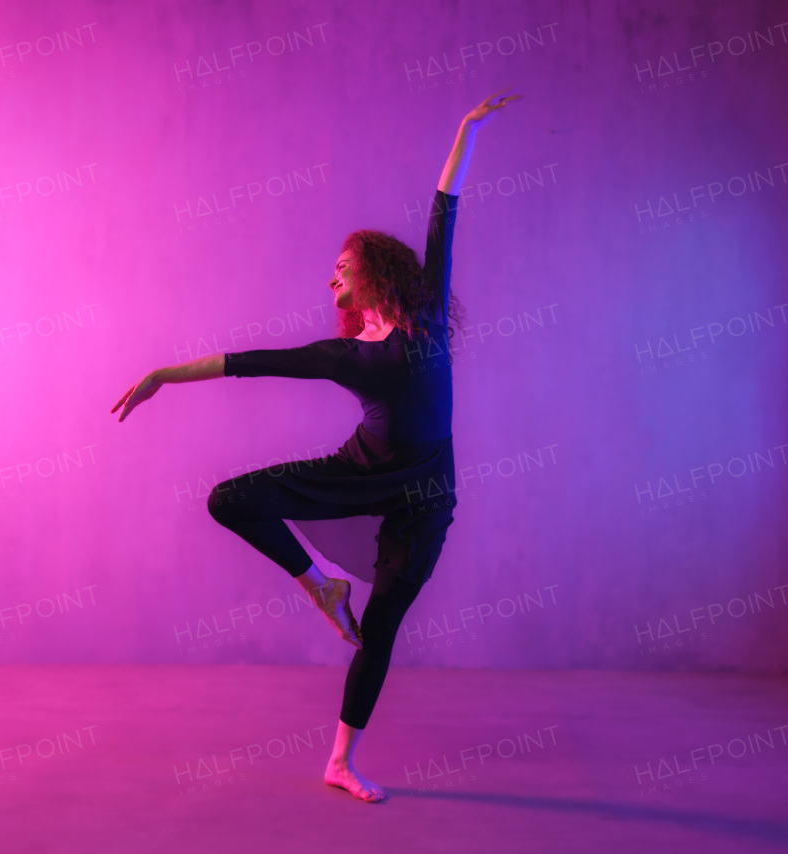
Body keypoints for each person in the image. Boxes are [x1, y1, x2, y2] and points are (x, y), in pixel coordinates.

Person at [112, 89, 522, 802]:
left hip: (427, 493)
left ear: (375, 269)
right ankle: (319, 584)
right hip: (357, 472)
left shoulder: (424, 313)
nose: (331, 274)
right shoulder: (342, 355)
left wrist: (467, 130)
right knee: (229, 499)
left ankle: (340, 760)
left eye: (341, 262)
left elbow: (443, 212)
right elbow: (250, 362)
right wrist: (162, 375)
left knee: (383, 625)